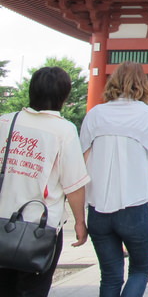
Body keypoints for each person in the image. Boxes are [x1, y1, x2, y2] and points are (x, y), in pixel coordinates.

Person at [80, 61, 148, 297]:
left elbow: (84, 156)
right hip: (134, 202)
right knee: (140, 270)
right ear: (143, 84)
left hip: (98, 206)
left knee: (110, 275)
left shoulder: (95, 114)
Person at [0, 67, 90, 297]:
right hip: (39, 229)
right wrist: (80, 221)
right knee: (32, 290)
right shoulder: (64, 131)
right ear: (64, 95)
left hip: (1, 223)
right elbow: (74, 185)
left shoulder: (5, 122)